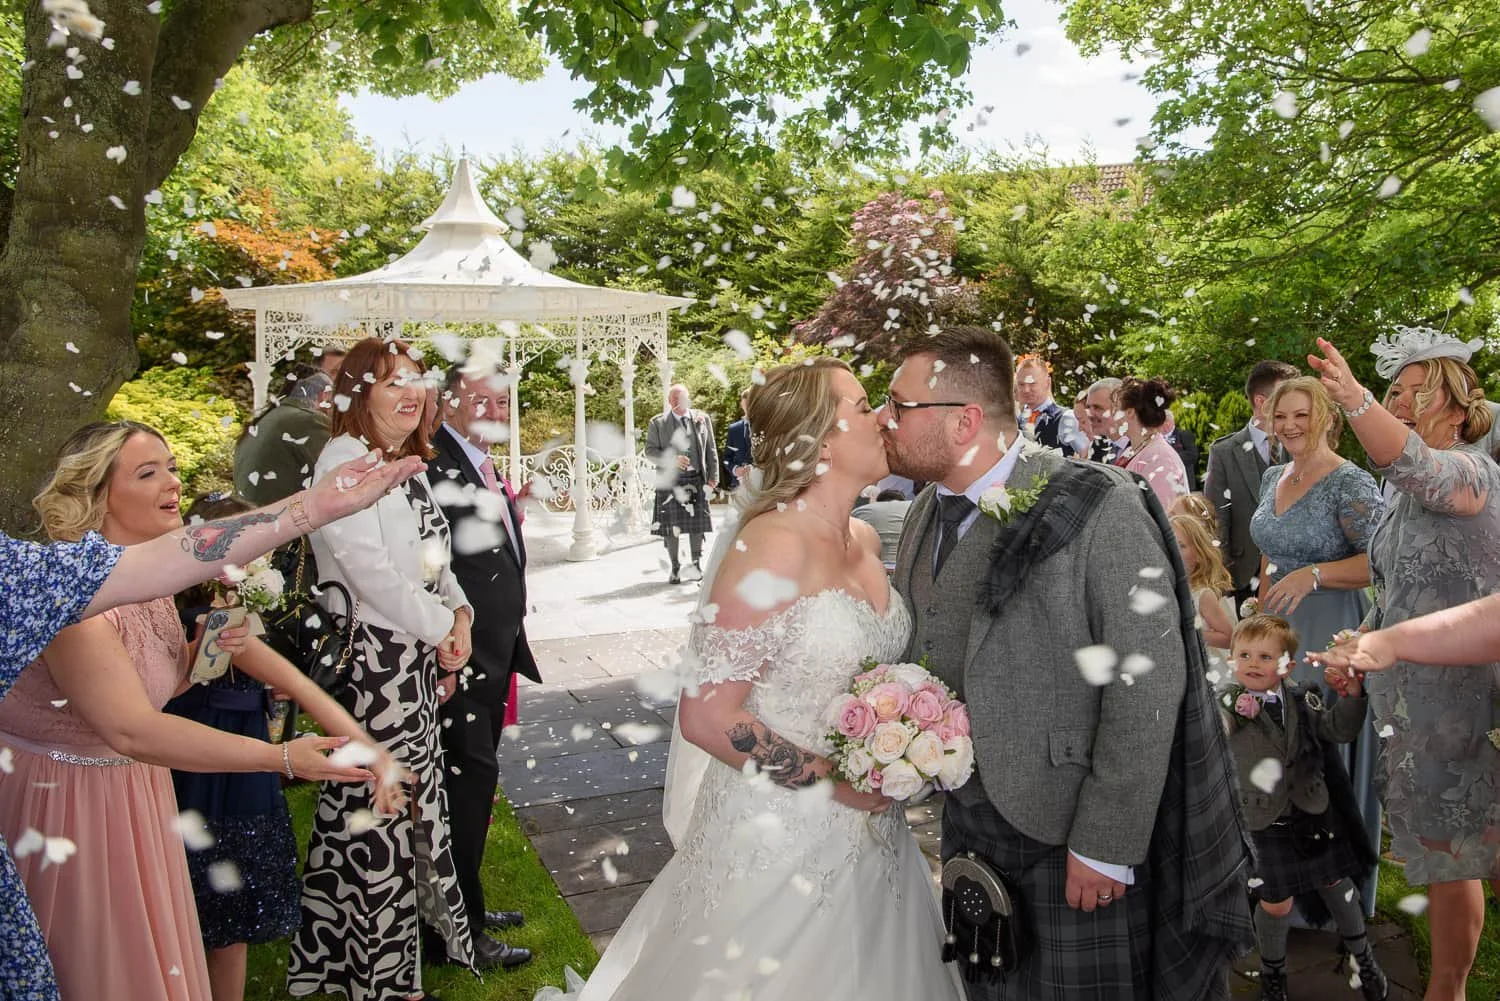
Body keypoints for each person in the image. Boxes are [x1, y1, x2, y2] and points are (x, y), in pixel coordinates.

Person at [533, 358, 964, 1001]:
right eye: (862, 403)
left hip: (876, 834)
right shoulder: (768, 547)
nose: (882, 417)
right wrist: (836, 782)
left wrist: (901, 736)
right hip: (778, 834)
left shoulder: (865, 541)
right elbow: (707, 716)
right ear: (818, 439)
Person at [882, 326, 1252, 1000]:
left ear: (964, 420)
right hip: (969, 826)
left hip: (1071, 832)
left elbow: (1148, 679)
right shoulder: (921, 514)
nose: (887, 422)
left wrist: (1106, 840)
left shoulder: (1100, 503)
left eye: (900, 407)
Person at [0, 442, 421, 1001]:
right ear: (96, 495)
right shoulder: (69, 601)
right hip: (71, 799)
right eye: (149, 473)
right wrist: (284, 756)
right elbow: (132, 728)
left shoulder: (154, 589)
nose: (173, 483)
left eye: (173, 467)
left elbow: (152, 686)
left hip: (135, 787)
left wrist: (198, 666)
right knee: (97, 963)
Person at [1309, 330, 1500, 1001]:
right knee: (1455, 857)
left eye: (1407, 390)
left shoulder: (1472, 474)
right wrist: (1357, 644)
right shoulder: (1400, 497)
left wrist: (1355, 399)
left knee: (1483, 852)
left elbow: (1414, 461)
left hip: (1473, 700)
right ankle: (1447, 990)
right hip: (1416, 705)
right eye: (1389, 391)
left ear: (1452, 403)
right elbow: (1394, 589)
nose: (1394, 400)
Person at [288, 338, 477, 1001]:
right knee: (379, 818)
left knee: (383, 812)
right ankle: (383, 978)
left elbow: (433, 561)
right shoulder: (342, 463)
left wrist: (460, 615)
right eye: (392, 380)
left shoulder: (405, 463)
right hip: (373, 664)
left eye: (417, 380)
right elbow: (370, 575)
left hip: (414, 657)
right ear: (358, 392)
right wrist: (438, 628)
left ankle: (337, 963)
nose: (410, 392)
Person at [1248, 375, 1384, 915]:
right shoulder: (1273, 476)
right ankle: (1285, 893)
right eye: (1281, 417)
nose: (1290, 426)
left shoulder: (1349, 482)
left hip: (1328, 631)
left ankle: (1336, 905)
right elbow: (1267, 551)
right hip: (1276, 635)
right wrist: (1257, 619)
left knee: (1323, 755)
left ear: (1326, 416)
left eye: (1301, 414)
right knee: (1277, 757)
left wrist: (1316, 576)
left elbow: (1381, 558)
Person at [427, 366, 539, 972]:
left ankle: (464, 902)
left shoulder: (477, 461)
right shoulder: (436, 464)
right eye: (480, 399)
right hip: (460, 658)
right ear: (447, 404)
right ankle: (456, 929)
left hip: (492, 651)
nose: (495, 409)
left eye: (502, 399)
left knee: (471, 787)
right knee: (461, 788)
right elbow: (430, 568)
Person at [1222, 616, 1387, 1001]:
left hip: (1310, 812)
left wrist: (1351, 698)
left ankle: (1364, 959)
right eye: (1244, 654)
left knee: (1338, 886)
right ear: (1231, 660)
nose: (1253, 663)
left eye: (1265, 656)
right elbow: (1218, 729)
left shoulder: (1303, 696)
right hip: (1261, 821)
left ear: (1287, 666)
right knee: (1275, 903)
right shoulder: (1227, 705)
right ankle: (1273, 976)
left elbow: (1337, 731)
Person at [1205, 360, 1300, 610]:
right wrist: (1221, 575)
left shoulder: (1302, 447)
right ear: (1261, 402)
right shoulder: (1224, 452)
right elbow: (1217, 519)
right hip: (1243, 575)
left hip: (1295, 573)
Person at [646, 384, 718, 584]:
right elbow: (650, 452)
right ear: (670, 402)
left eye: (684, 399)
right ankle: (675, 567)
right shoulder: (658, 423)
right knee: (671, 528)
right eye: (676, 400)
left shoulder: (701, 419)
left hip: (696, 478)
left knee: (697, 527)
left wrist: (714, 477)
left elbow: (711, 449)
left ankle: (695, 565)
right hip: (670, 482)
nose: (681, 403)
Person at [233, 370, 333, 506]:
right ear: (324, 396)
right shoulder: (309, 420)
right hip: (281, 520)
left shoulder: (266, 419)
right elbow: (336, 477)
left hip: (253, 516)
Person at [1170, 513, 1236, 666]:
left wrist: (1189, 634)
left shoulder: (1202, 595)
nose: (1173, 551)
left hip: (1206, 668)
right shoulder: (1166, 590)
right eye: (1169, 544)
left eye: (1181, 546)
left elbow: (1229, 637)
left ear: (1199, 555)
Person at [1115, 376, 1191, 506]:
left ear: (1130, 412)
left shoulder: (1161, 459)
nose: (1113, 415)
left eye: (1116, 409)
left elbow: (1161, 515)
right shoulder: (1133, 449)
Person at [1014, 354, 1088, 456]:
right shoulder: (1016, 420)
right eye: (1021, 384)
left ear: (1047, 383)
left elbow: (1088, 459)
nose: (1026, 390)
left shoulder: (1067, 418)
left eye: (1032, 384)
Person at [850, 488, 912, 569]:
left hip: (871, 566)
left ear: (878, 501)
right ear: (902, 500)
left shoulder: (860, 511)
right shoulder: (912, 507)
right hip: (904, 565)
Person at [1083, 376, 1125, 463]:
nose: (1089, 414)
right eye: (1088, 407)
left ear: (1118, 407)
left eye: (1097, 407)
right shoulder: (1097, 446)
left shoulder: (1141, 447)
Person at [721, 389, 752, 492]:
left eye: (751, 403)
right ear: (741, 404)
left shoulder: (767, 427)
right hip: (738, 486)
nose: (749, 407)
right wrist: (735, 469)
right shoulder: (734, 429)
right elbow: (726, 458)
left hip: (762, 486)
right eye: (746, 404)